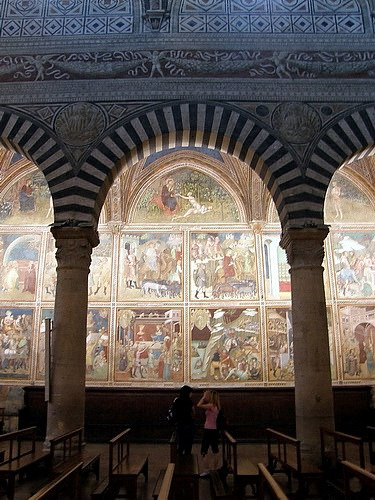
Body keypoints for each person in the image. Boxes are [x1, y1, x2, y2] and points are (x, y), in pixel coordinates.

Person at [197, 389, 221, 476]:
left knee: (204, 450)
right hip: (214, 430)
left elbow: (198, 405)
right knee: (215, 450)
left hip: (208, 430)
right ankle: (215, 469)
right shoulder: (216, 406)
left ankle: (206, 470)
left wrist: (203, 398)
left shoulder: (211, 406)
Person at [173, 385, 195, 456]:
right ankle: (187, 457)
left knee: (181, 441)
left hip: (180, 423)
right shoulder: (189, 402)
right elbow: (193, 413)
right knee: (188, 442)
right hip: (188, 423)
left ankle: (180, 457)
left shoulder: (177, 401)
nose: (192, 394)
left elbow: (174, 411)